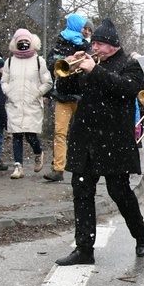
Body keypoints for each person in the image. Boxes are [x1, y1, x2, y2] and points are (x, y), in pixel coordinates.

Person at [54, 18, 144, 266]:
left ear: (112, 45)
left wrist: (93, 70)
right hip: (85, 137)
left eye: (98, 44)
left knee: (119, 192)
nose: (93, 47)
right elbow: (65, 88)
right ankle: (84, 249)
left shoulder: (130, 65)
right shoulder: (87, 62)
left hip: (114, 140)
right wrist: (69, 66)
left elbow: (126, 90)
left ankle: (141, 234)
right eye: (93, 43)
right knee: (82, 191)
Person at [44, 13, 91, 182]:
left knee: (82, 132)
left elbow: (92, 68)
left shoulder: (87, 46)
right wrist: (66, 60)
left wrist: (81, 61)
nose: (85, 31)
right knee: (60, 132)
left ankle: (83, 165)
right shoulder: (59, 43)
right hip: (63, 94)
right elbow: (50, 63)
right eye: (83, 27)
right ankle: (58, 168)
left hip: (80, 95)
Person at [1, 28, 53, 179]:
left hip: (32, 104)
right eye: (20, 42)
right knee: (17, 134)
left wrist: (37, 92)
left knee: (30, 135)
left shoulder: (39, 61)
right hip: (15, 103)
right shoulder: (9, 62)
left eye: (26, 42)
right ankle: (18, 166)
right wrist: (8, 91)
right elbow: (4, 81)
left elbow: (48, 82)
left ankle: (38, 152)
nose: (23, 44)